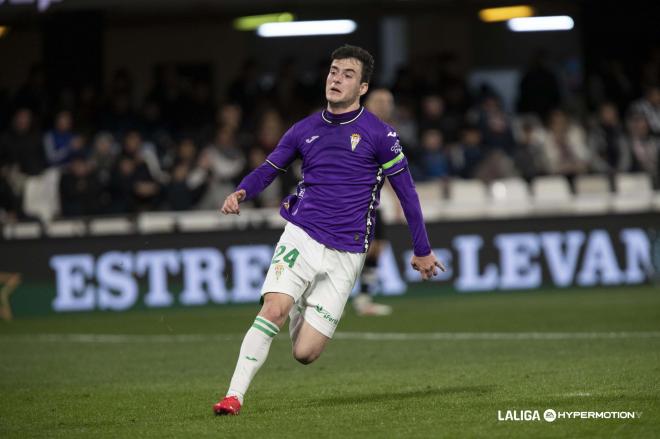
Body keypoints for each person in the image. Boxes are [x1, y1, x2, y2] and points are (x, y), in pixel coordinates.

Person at [213, 45, 445, 416]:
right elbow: (270, 167)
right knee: (272, 308)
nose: (336, 79)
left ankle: (298, 302)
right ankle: (233, 396)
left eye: (347, 74)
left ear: (363, 87)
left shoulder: (379, 135)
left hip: (347, 251)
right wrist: (243, 190)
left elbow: (408, 195)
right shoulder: (304, 129)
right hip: (301, 234)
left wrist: (422, 249)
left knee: (305, 353)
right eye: (333, 71)